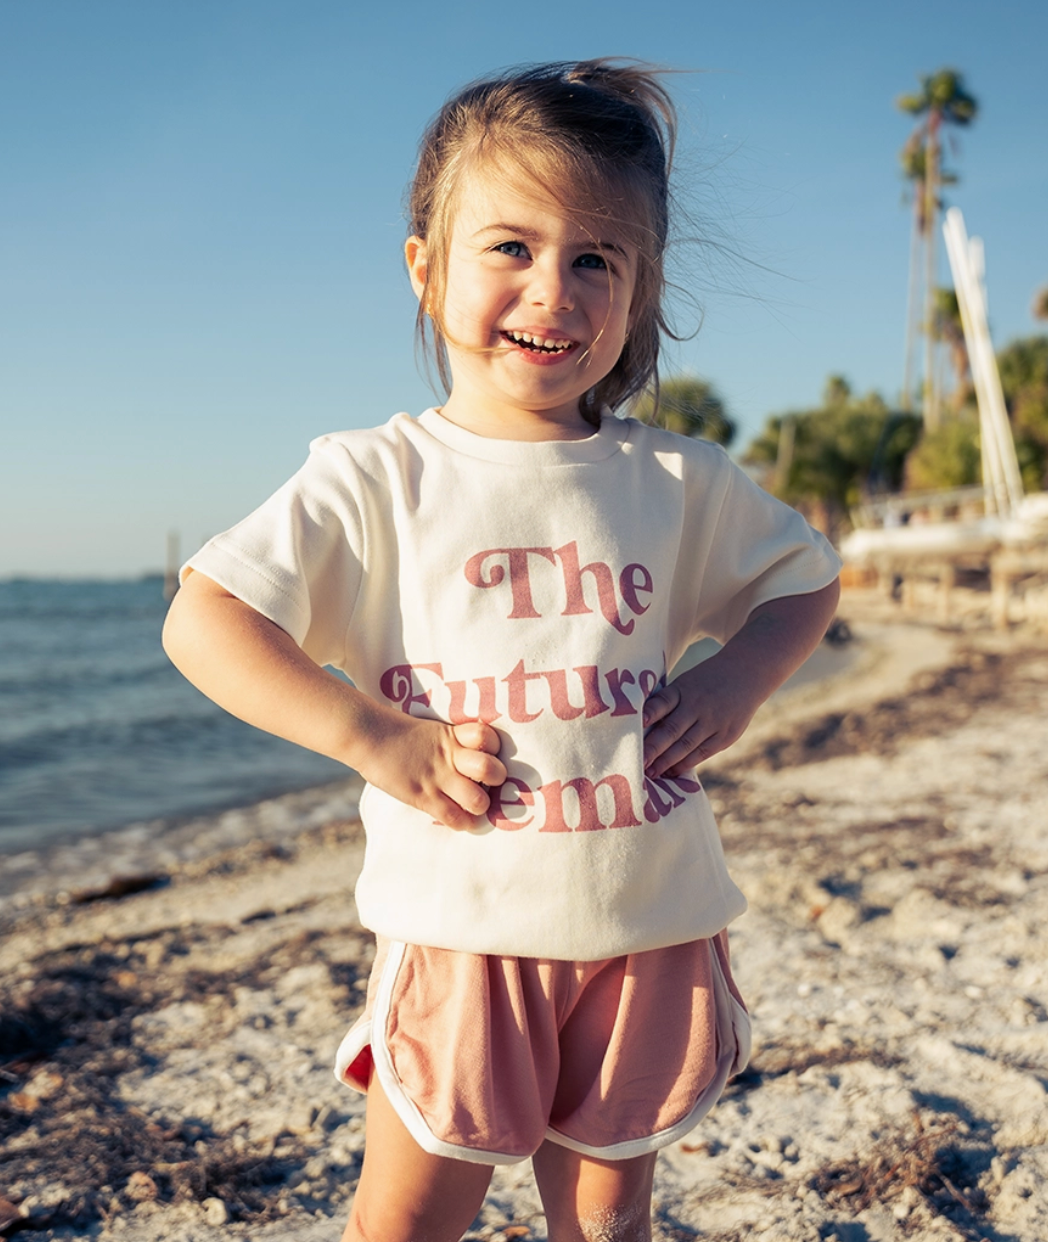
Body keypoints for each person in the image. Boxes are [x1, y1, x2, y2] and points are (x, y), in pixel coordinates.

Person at [163, 59, 841, 1242]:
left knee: (606, 1213)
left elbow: (804, 579)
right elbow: (207, 619)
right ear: (425, 268)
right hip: (466, 923)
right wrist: (370, 736)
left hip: (652, 920)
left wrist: (737, 678)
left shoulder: (676, 479)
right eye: (510, 248)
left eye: (597, 259)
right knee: (411, 1217)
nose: (554, 291)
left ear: (639, 288)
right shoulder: (378, 478)